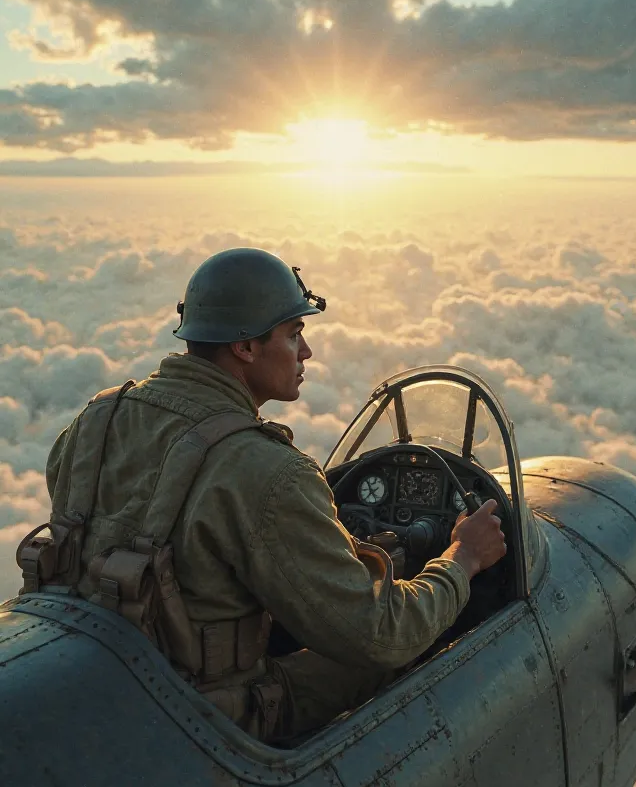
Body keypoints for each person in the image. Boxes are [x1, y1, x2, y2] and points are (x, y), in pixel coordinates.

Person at [24, 248, 506, 743]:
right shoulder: (267, 473)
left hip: (98, 671)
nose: (306, 352)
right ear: (246, 348)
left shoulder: (95, 421)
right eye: (294, 334)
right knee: (413, 648)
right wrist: (461, 560)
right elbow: (378, 633)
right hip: (205, 713)